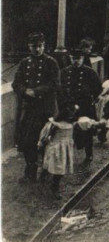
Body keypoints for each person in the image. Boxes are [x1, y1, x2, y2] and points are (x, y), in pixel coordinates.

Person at [12, 32, 60, 182]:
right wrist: (25, 91)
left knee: (46, 141)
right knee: (28, 141)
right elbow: (16, 83)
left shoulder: (51, 62)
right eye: (34, 46)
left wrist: (37, 91)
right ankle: (30, 170)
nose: (37, 49)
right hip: (30, 109)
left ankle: (46, 169)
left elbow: (55, 83)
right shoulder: (24, 63)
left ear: (44, 46)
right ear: (29, 47)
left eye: (40, 46)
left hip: (46, 109)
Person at [61, 48, 102, 164]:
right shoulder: (64, 72)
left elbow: (98, 88)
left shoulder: (90, 72)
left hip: (85, 106)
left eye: (78, 58)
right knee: (68, 131)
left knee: (87, 130)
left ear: (83, 59)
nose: (76, 61)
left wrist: (92, 98)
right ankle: (67, 156)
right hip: (69, 105)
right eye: (73, 58)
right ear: (70, 59)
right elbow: (60, 89)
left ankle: (89, 154)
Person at [38, 102, 77, 198]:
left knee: (59, 168)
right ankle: (47, 178)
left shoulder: (71, 125)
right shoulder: (56, 125)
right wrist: (43, 142)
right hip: (56, 148)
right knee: (54, 165)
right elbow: (47, 134)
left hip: (65, 149)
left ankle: (54, 185)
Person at [95, 79, 109, 144]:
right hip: (107, 114)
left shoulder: (101, 97)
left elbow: (98, 104)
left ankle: (102, 135)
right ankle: (102, 135)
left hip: (101, 113)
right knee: (106, 125)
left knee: (103, 126)